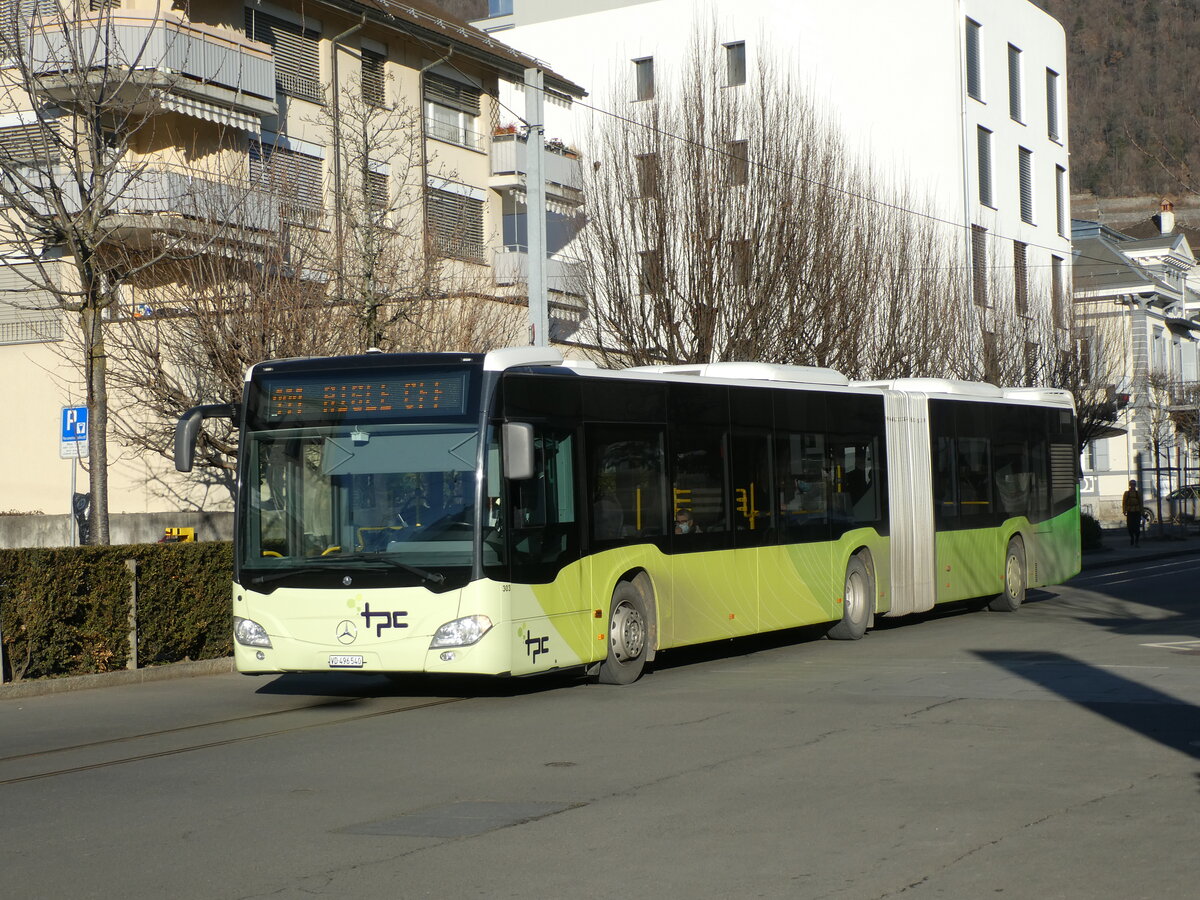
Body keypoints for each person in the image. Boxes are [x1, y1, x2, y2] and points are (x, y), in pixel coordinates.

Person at [1122, 479, 1144, 546]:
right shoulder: (1126, 493)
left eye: (1134, 484)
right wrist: (1124, 510)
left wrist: (1142, 511)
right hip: (1130, 511)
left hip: (1137, 511)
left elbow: (1141, 503)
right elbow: (1124, 502)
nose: (1133, 486)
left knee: (1137, 527)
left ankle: (1136, 541)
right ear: (1129, 485)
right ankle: (1132, 538)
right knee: (1130, 527)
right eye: (1131, 484)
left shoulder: (1138, 493)